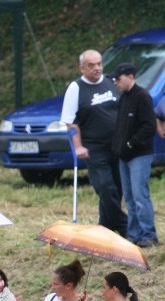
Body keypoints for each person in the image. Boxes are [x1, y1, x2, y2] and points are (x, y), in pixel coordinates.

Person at [60, 50, 127, 236]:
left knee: (117, 189)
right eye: (91, 65)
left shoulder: (111, 82)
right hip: (94, 148)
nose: (97, 68)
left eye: (99, 63)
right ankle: (125, 226)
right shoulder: (76, 88)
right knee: (105, 188)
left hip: (117, 145)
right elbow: (70, 121)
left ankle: (104, 228)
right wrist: (78, 146)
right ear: (82, 68)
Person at [111, 63, 158, 248]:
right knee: (129, 197)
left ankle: (149, 235)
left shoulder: (142, 97)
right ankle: (134, 235)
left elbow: (149, 126)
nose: (115, 82)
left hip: (139, 155)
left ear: (130, 77)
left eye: (118, 78)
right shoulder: (123, 99)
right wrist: (117, 146)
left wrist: (131, 143)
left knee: (140, 196)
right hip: (124, 156)